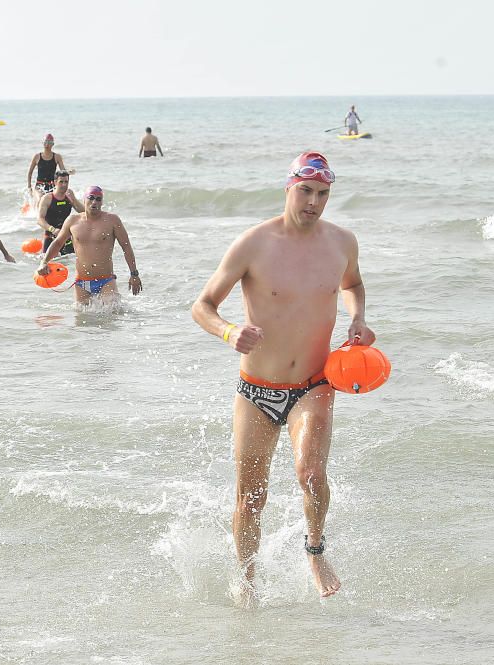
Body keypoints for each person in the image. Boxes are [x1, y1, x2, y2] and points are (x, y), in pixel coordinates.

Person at [190, 151, 375, 601]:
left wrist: (358, 318)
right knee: (250, 495)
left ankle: (315, 549)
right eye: (306, 191)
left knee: (311, 474)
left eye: (323, 194)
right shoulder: (254, 244)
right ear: (288, 188)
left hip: (314, 383)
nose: (314, 202)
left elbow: (351, 284)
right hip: (257, 389)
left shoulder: (342, 242)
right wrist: (229, 331)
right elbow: (202, 306)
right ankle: (247, 578)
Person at [37, 185, 142, 304]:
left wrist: (134, 274)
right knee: (81, 319)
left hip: (106, 281)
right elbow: (58, 243)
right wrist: (44, 262)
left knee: (112, 315)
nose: (94, 202)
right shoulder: (73, 221)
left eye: (98, 199)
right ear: (84, 200)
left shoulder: (112, 220)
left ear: (102, 202)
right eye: (91, 198)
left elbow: (126, 247)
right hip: (82, 283)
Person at [36, 170, 84, 256]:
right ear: (55, 182)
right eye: (61, 182)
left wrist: (74, 199)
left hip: (66, 238)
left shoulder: (69, 195)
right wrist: (53, 230)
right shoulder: (47, 198)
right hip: (51, 237)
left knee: (72, 264)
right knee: (48, 264)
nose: (64, 185)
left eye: (66, 182)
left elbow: (82, 211)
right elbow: (40, 219)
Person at [26, 134, 72, 203]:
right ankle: (37, 212)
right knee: (40, 199)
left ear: (52, 144)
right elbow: (29, 173)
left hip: (52, 185)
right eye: (45, 142)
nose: (47, 144)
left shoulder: (57, 157)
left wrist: (69, 172)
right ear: (43, 143)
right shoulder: (37, 156)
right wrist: (29, 188)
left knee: (55, 202)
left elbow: (63, 173)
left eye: (49, 143)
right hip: (39, 186)